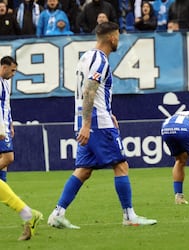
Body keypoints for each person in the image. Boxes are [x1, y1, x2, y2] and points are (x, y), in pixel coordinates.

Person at [47, 22, 157, 229]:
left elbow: (91, 93)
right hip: (96, 121)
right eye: (118, 37)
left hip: (87, 117)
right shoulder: (101, 60)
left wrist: (103, 114)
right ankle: (129, 216)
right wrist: (89, 124)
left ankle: (57, 214)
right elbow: (89, 91)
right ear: (112, 38)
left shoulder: (86, 57)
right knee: (121, 165)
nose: (118, 40)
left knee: (84, 169)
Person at [0, 56, 43, 241]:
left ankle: (28, 213)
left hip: (0, 126)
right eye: (12, 70)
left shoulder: (5, 84)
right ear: (3, 67)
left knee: (8, 159)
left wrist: (6, 125)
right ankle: (27, 214)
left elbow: (5, 106)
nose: (13, 74)